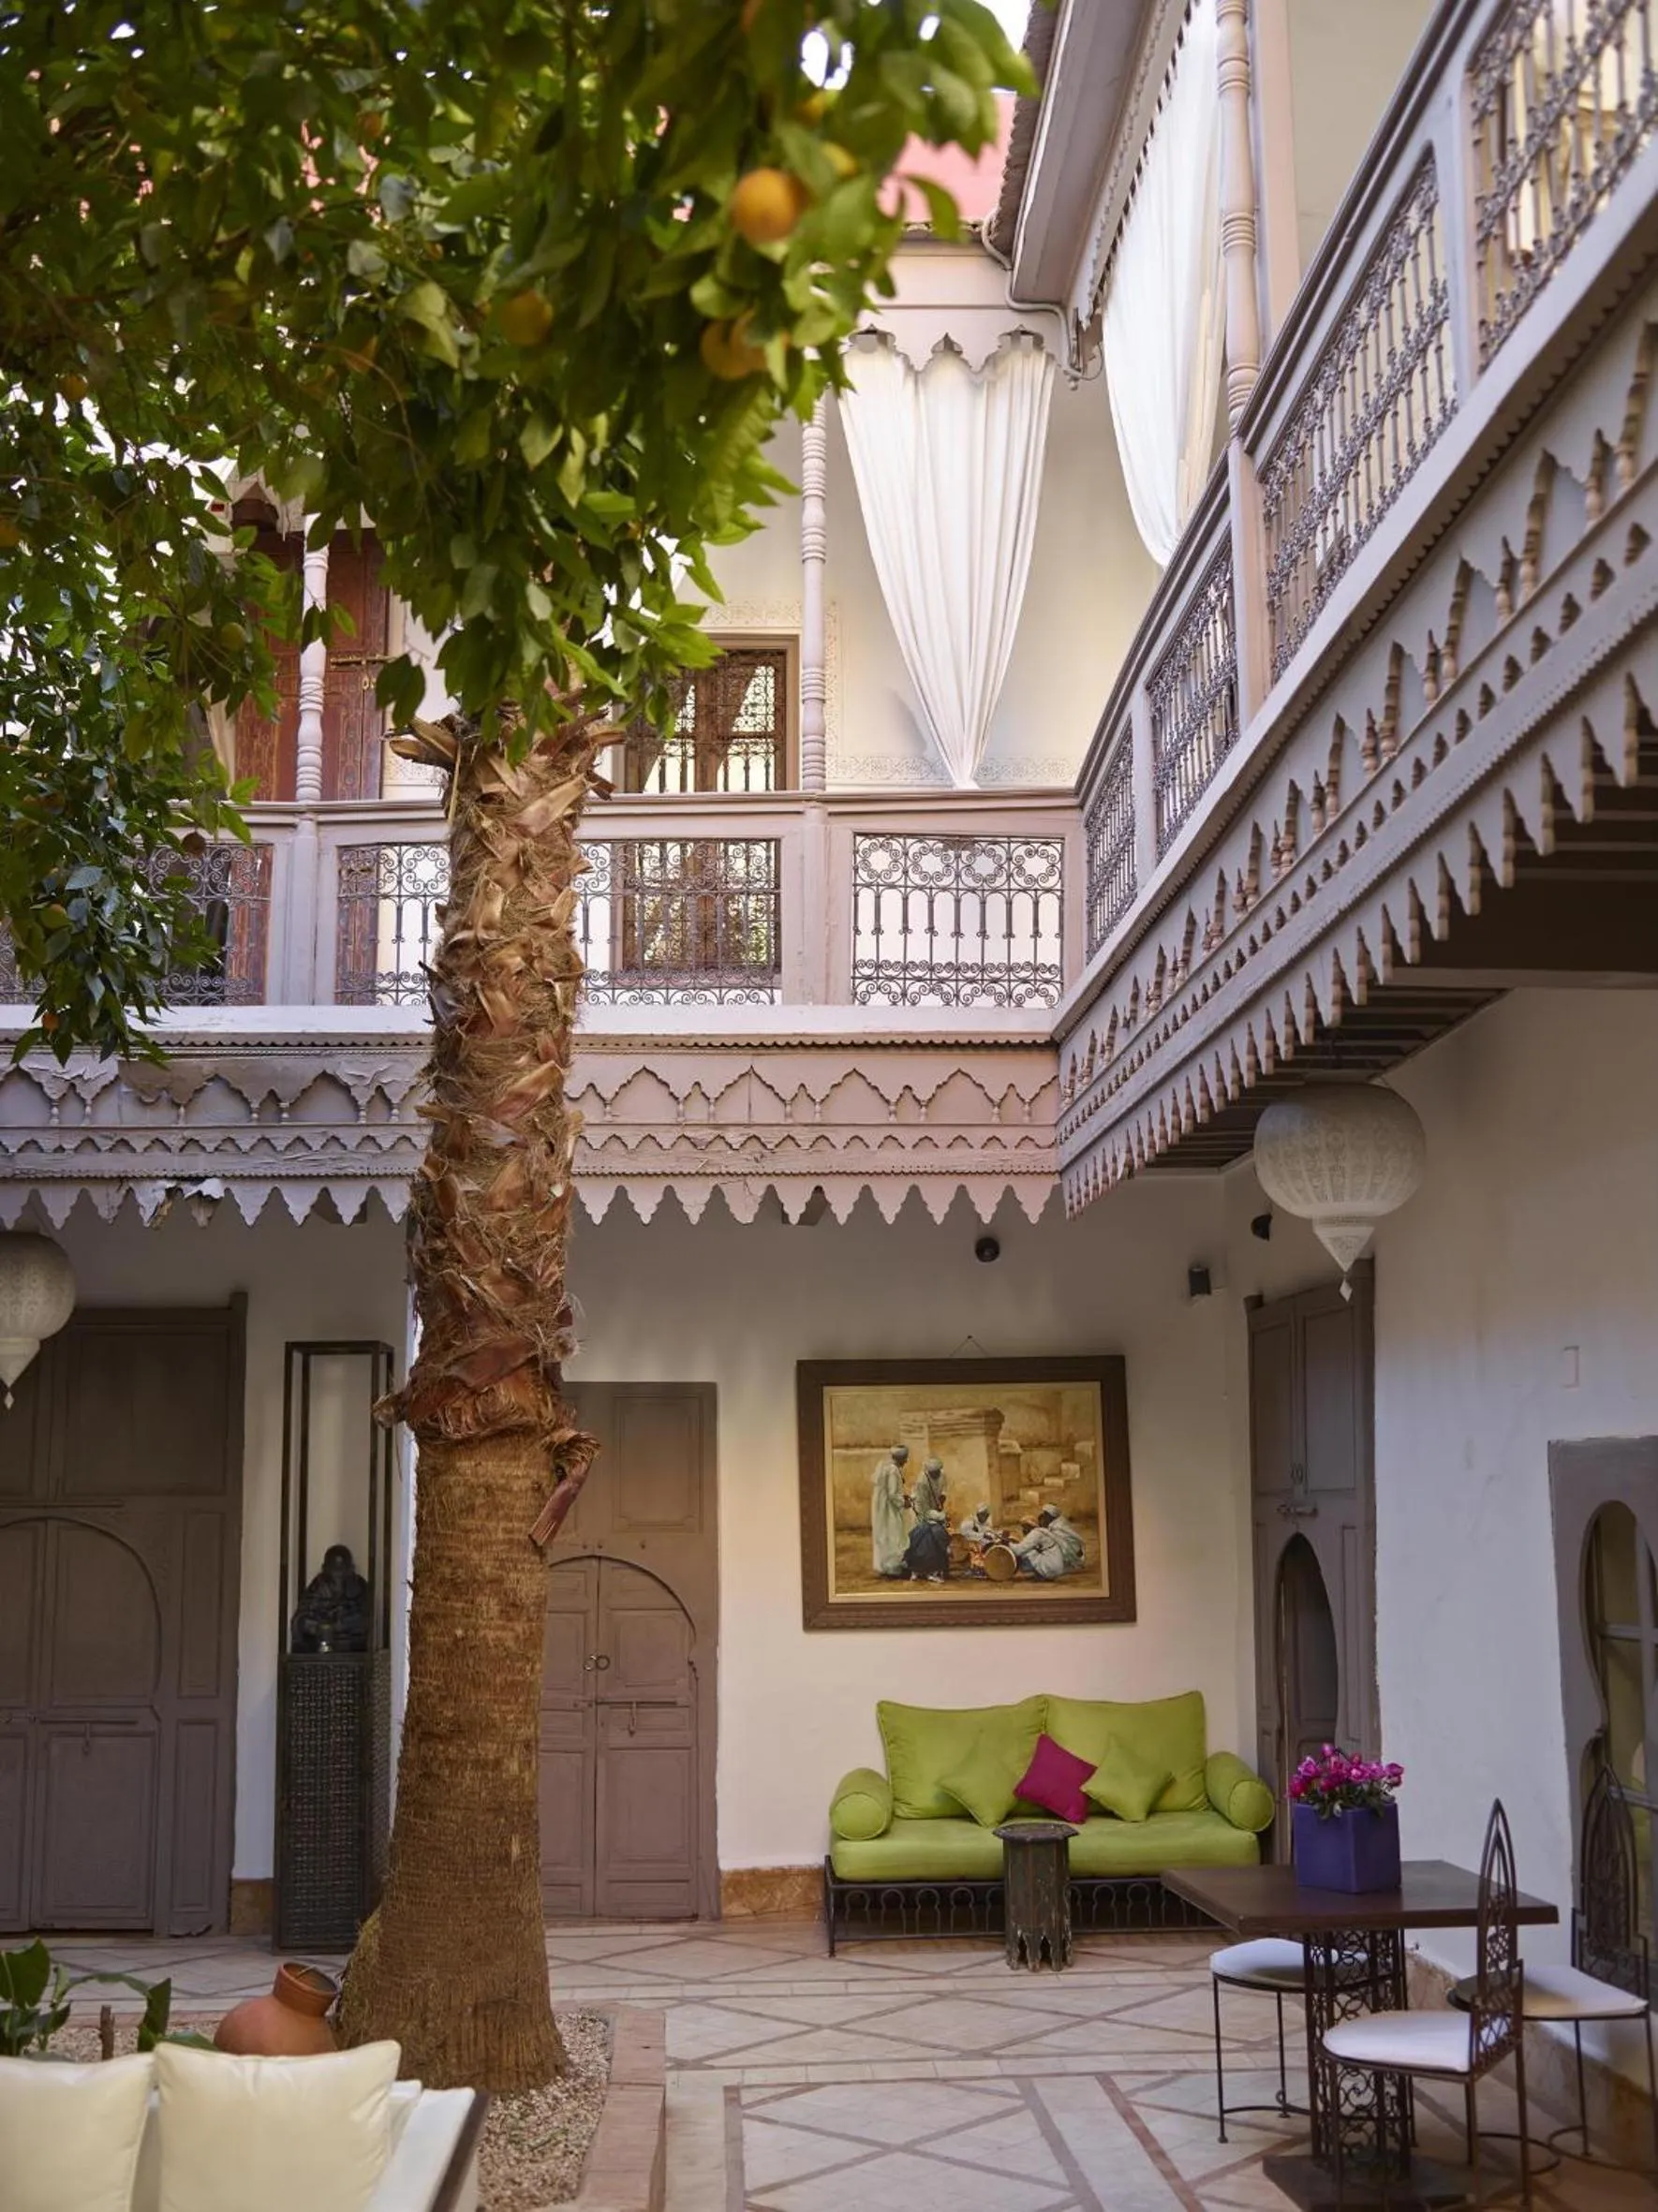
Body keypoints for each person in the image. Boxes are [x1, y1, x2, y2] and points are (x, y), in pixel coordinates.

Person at [902, 1456, 952, 1582]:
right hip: (921, 1512)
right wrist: (940, 1516)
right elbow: (923, 1510)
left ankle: (933, 1569)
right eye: (933, 1473)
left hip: (934, 1510)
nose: (936, 1474)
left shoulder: (942, 1475)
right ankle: (920, 1570)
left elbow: (944, 1489)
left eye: (937, 1472)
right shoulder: (922, 1482)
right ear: (929, 1472)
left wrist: (942, 1498)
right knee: (924, 1538)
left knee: (935, 1535)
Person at [1011, 1505, 1084, 1582]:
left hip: (1053, 1565)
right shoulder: (1044, 1531)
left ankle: (1043, 1573)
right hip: (1056, 1564)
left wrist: (1008, 1543)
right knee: (1030, 1552)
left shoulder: (1040, 1532)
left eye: (1025, 1527)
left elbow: (1019, 1550)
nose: (1024, 1530)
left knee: (1026, 1556)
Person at [869, 1443, 909, 1578]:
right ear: (901, 1458)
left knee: (883, 1534)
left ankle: (884, 1566)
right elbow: (893, 1494)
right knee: (893, 1534)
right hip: (889, 1508)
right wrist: (904, 1502)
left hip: (881, 1506)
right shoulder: (893, 1470)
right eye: (905, 1458)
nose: (906, 1461)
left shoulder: (883, 1466)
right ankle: (892, 1567)